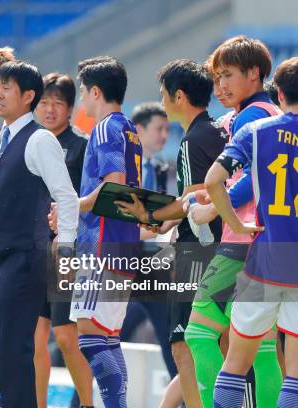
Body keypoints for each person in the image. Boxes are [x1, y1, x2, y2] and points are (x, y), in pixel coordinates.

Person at [0, 61, 79, 407]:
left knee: (15, 351)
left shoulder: (39, 139)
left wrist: (66, 251)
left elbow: (66, 197)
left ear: (28, 96)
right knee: (4, 352)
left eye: (6, 87)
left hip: (26, 258)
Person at [116, 59, 228, 407]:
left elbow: (196, 193)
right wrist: (162, 219)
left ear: (179, 96)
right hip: (225, 250)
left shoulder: (193, 140)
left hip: (199, 252)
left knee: (184, 346)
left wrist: (155, 214)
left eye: (164, 95)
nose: (162, 100)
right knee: (218, 343)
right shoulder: (219, 130)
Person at [184, 36, 283, 408]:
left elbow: (251, 178)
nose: (220, 85)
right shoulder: (273, 114)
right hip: (272, 242)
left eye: (227, 75)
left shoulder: (252, 117)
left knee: (198, 333)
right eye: (216, 77)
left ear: (254, 73)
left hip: (241, 241)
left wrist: (214, 208)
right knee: (263, 344)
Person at [206, 56, 298, 408]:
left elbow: (215, 180)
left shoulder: (255, 131)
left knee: (235, 363)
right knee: (294, 374)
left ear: (280, 90)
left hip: (263, 260)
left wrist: (233, 222)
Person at [67, 56, 141, 408]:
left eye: (83, 93)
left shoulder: (105, 128)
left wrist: (74, 204)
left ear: (96, 91)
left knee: (90, 337)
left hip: (101, 244)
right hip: (123, 243)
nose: (82, 101)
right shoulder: (129, 129)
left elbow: (114, 185)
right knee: (108, 338)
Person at [32, 72, 92, 408]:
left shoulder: (81, 147)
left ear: (70, 109)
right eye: (44, 102)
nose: (50, 109)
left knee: (67, 336)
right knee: (35, 335)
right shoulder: (30, 142)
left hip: (66, 251)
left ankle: (87, 403)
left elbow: (87, 200)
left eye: (58, 103)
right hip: (33, 249)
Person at [120, 102, 178, 383]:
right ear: (139, 130)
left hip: (150, 260)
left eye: (167, 129)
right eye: (159, 128)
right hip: (118, 259)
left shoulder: (159, 167)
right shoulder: (120, 166)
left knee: (170, 334)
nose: (165, 135)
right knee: (102, 339)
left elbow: (157, 219)